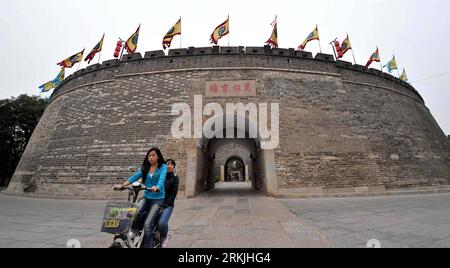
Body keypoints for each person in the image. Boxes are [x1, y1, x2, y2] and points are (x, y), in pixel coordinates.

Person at [115, 147, 167, 248]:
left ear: (158, 156)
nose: (151, 158)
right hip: (147, 197)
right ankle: (134, 231)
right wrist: (123, 185)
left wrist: (157, 187)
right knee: (137, 212)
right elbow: (134, 177)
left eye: (153, 155)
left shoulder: (163, 167)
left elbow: (162, 178)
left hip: (158, 199)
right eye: (149, 156)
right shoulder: (145, 168)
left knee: (148, 225)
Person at [158, 159, 179, 248]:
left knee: (162, 223)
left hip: (168, 205)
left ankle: (165, 237)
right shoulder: (160, 176)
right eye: (167, 164)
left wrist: (166, 204)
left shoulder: (175, 177)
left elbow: (173, 193)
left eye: (171, 164)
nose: (169, 166)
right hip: (156, 202)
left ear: (173, 166)